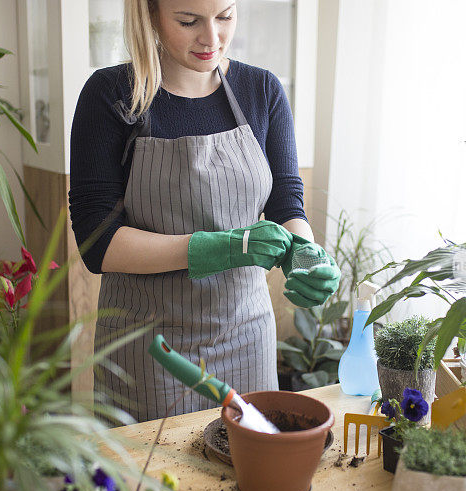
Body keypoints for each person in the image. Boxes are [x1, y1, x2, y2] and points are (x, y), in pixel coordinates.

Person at [69, 0, 340, 422]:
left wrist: (305, 254)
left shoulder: (261, 90)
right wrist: (221, 248)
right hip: (148, 349)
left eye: (225, 16)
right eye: (188, 21)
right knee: (156, 482)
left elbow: (285, 200)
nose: (211, 38)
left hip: (248, 336)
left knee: (248, 474)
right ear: (151, 13)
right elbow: (97, 242)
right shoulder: (112, 95)